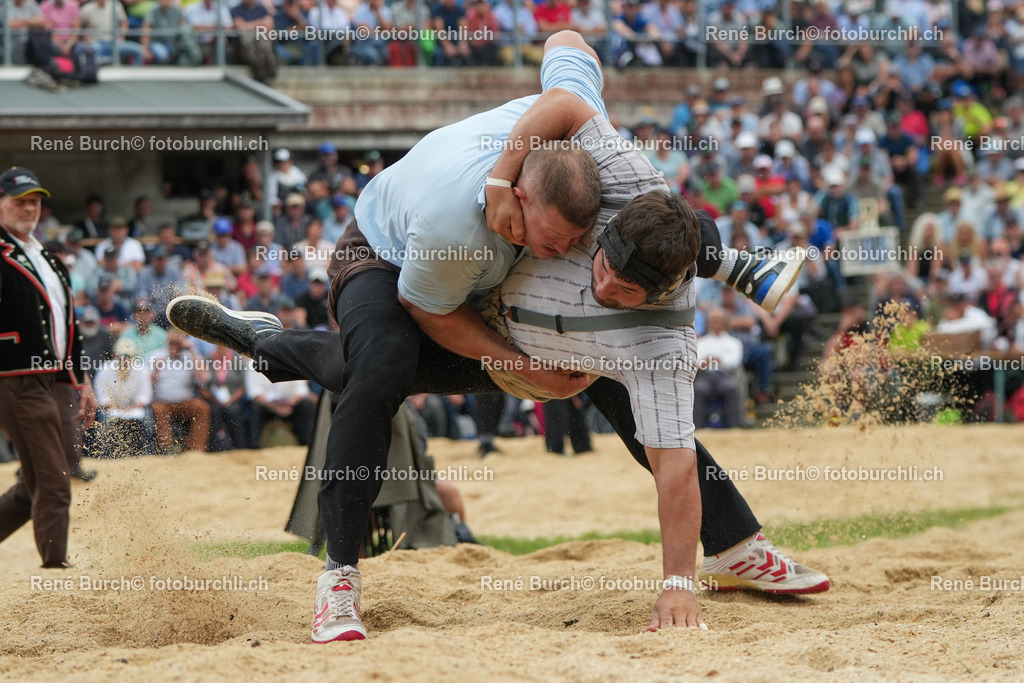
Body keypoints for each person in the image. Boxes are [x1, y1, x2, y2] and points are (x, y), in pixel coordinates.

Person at [168, 32, 822, 643]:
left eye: (578, 244)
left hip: (496, 282)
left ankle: (736, 542)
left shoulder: (609, 175)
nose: (574, 257)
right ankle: (339, 573)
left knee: (625, 373)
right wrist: (523, 365)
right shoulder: (464, 226)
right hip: (389, 255)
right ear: (524, 203)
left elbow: (568, 53)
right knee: (378, 369)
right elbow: (427, 308)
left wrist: (714, 253)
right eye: (565, 246)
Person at [0, 167, 97, 568]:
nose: (29, 208)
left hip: (54, 379)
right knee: (55, 481)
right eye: (19, 200)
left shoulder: (49, 259)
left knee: (39, 481)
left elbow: (69, 325)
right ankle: (55, 567)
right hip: (15, 378)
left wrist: (84, 380)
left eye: (35, 200)